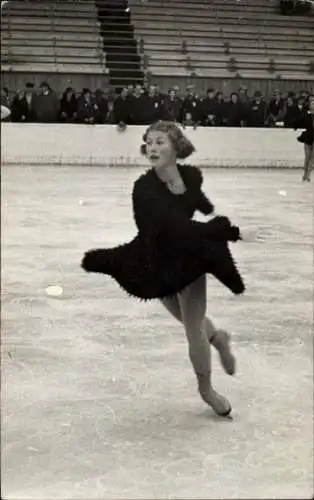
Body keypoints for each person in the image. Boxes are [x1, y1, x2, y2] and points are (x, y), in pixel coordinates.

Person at [81, 121, 258, 418]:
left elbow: (200, 205)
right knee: (194, 325)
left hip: (190, 261)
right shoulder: (143, 188)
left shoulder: (191, 175)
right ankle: (219, 338)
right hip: (156, 264)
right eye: (149, 142)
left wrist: (213, 216)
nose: (152, 147)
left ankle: (206, 391)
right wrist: (232, 232)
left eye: (160, 141)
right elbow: (169, 228)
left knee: (192, 329)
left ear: (176, 147)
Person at [293, 95, 314, 182]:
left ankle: (308, 175)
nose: (313, 105)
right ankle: (305, 174)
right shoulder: (307, 114)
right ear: (310, 105)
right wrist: (295, 126)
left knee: (313, 157)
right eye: (312, 103)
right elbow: (299, 121)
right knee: (307, 157)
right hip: (308, 136)